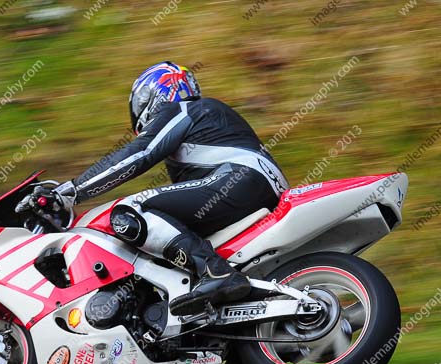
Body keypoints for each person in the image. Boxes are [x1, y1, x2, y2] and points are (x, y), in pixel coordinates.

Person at [17, 61, 289, 315]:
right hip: (251, 184)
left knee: (129, 211)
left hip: (240, 179)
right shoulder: (204, 125)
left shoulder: (184, 109)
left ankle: (217, 274)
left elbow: (138, 155)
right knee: (161, 230)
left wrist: (70, 192)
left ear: (153, 95)